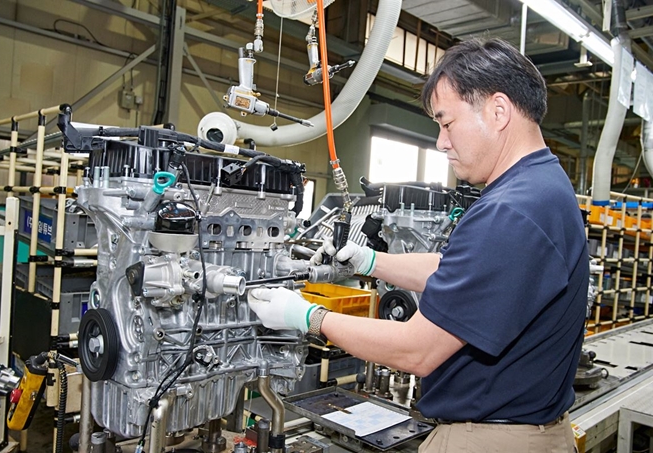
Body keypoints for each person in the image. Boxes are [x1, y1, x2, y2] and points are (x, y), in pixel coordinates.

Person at [248, 37, 587, 453]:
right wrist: (372, 260)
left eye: (447, 123)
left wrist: (305, 316)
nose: (442, 142)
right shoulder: (542, 188)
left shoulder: (513, 209)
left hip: (490, 439)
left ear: (498, 111)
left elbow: (417, 349)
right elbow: (458, 271)